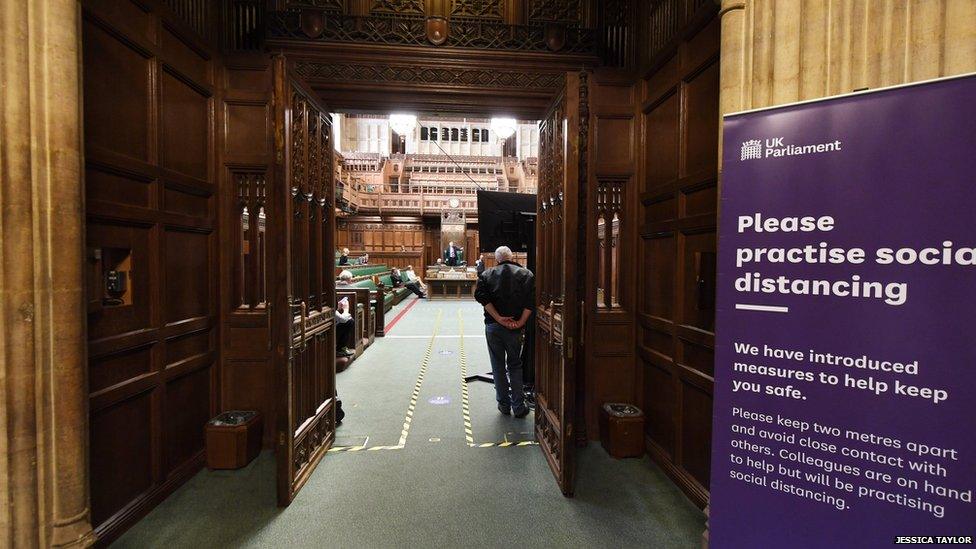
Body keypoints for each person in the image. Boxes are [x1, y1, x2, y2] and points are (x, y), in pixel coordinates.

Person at [474, 246, 534, 417]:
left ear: (497, 259)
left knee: (498, 366)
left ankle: (504, 405)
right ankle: (519, 407)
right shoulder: (526, 274)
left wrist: (499, 318)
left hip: (493, 326)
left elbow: (481, 297)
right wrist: (521, 322)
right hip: (515, 327)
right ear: (512, 256)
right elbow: (530, 301)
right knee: (515, 365)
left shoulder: (486, 274)